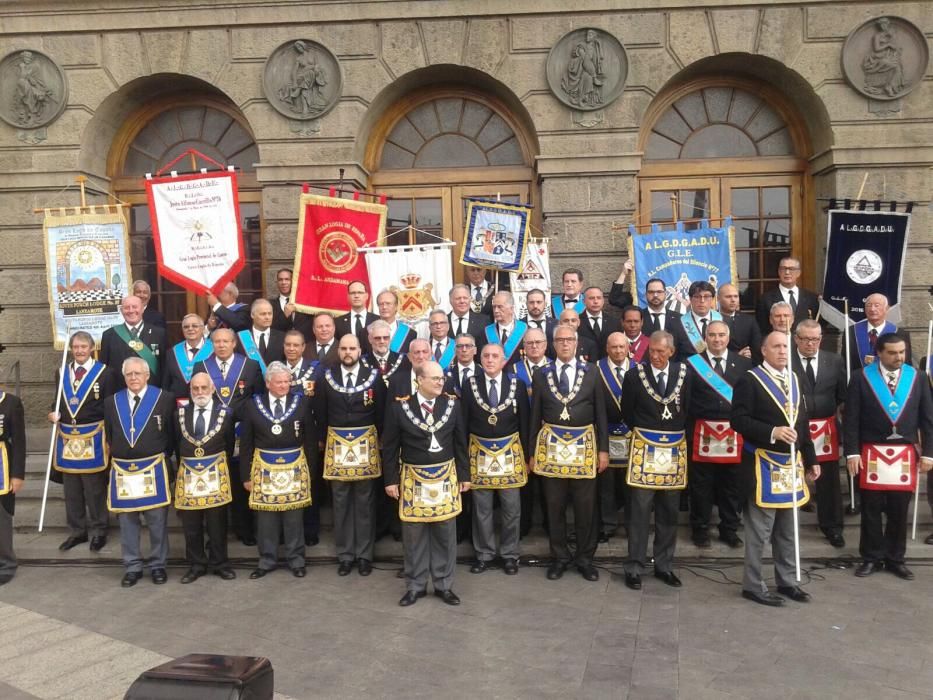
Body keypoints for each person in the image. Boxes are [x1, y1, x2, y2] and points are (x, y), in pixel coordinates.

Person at [731, 332, 820, 606]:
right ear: (764, 350)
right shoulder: (749, 379)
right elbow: (738, 420)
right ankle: (753, 585)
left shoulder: (794, 378)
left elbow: (801, 423)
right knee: (759, 532)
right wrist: (772, 431)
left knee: (787, 529)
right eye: (776, 346)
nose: (782, 351)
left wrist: (811, 457)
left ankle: (788, 581)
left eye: (785, 346)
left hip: (791, 466)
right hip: (762, 464)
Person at [845, 333, 933, 581]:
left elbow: (928, 420)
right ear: (880, 353)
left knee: (899, 510)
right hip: (871, 452)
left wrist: (929, 453)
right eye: (893, 353)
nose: (899, 357)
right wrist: (851, 452)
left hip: (905, 454)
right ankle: (871, 557)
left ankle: (896, 558)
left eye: (902, 352)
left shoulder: (917, 378)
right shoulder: (861, 378)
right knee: (871, 510)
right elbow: (851, 419)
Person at [382, 361, 471, 606]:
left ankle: (444, 585)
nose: (440, 382)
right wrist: (390, 480)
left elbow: (460, 443)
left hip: (445, 477)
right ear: (419, 380)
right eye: (434, 378)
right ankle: (416, 586)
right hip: (413, 479)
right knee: (414, 536)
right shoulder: (399, 408)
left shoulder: (453, 405)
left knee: (445, 534)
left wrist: (465, 475)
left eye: (441, 378)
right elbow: (390, 448)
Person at [529, 324, 608, 582]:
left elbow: (601, 415)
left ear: (576, 343)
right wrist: (531, 452)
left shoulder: (592, 372)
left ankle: (585, 558)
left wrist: (603, 450)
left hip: (584, 449)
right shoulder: (542, 374)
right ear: (553, 344)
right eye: (559, 340)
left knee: (586, 508)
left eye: (568, 339)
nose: (564, 344)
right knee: (555, 506)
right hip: (551, 452)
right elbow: (534, 416)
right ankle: (559, 557)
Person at [621, 331, 691, 590]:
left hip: (674, 451)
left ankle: (664, 565)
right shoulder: (634, 375)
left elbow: (689, 408)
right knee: (639, 510)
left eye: (661, 352)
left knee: (669, 511)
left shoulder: (684, 374)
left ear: (671, 351)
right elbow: (626, 411)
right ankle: (634, 566)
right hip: (645, 449)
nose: (656, 356)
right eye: (652, 351)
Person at [314, 334, 387, 577]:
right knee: (341, 501)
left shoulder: (374, 378)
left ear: (359, 350)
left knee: (365, 501)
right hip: (337, 447)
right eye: (343, 348)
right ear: (338, 351)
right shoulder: (327, 377)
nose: (347, 352)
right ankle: (345, 555)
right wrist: (323, 442)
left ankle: (365, 555)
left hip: (365, 445)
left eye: (352, 348)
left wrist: (380, 442)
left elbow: (381, 412)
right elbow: (321, 411)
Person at [240, 361, 317, 579]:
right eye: (279, 382)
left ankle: (296, 559)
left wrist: (310, 471)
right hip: (264, 468)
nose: (284, 386)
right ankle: (266, 560)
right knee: (266, 519)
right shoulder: (253, 405)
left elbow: (310, 440)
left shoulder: (300, 404)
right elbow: (246, 443)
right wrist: (245, 476)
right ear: (268, 383)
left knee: (294, 517)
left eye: (287, 381)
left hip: (294, 467)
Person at [104, 358, 176, 587]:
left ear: (147, 375)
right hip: (124, 471)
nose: (133, 378)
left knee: (157, 521)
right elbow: (109, 434)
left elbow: (171, 435)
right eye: (129, 374)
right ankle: (132, 566)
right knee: (127, 522)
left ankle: (158, 565)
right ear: (124, 377)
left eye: (138, 373)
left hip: (153, 467)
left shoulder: (164, 398)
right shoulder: (112, 402)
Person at [461, 343, 530, 575]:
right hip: (479, 453)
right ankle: (484, 554)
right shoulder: (470, 385)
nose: (490, 360)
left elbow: (525, 422)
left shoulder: (517, 384)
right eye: (486, 356)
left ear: (503, 361)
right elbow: (463, 422)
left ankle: (510, 555)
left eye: (495, 356)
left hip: (509, 453)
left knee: (512, 508)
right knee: (482, 508)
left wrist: (528, 456)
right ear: (480, 360)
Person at [192, 328, 264, 546]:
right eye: (217, 341)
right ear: (211, 344)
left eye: (226, 341)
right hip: (212, 435)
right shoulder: (201, 366)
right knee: (215, 481)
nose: (221, 345)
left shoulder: (250, 366)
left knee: (241, 480)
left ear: (234, 343)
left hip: (242, 432)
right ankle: (215, 534)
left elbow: (257, 398)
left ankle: (245, 529)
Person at [685, 320, 752, 548]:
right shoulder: (693, 364)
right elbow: (686, 401)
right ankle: (700, 528)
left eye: (721, 335)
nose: (717, 339)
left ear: (728, 336)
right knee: (701, 485)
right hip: (702, 432)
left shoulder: (743, 364)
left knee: (731, 485)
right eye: (712, 335)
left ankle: (729, 528)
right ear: (705, 337)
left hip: (733, 432)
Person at [48, 331, 115, 552]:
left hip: (94, 436)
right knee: (72, 489)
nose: (79, 351)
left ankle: (98, 531)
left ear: (91, 348)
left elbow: (109, 407)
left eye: (83, 347)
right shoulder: (61, 372)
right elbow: (57, 402)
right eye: (75, 347)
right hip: (67, 437)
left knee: (94, 488)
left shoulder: (105, 373)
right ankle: (77, 531)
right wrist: (53, 414)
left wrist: (110, 439)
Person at [175, 372, 236, 583]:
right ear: (190, 391)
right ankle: (196, 564)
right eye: (195, 389)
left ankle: (220, 563)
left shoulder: (226, 413)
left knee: (217, 522)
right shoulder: (180, 414)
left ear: (212, 389)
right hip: (189, 475)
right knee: (191, 523)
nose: (199, 392)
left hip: (215, 474)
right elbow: (177, 444)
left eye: (203, 388)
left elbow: (228, 446)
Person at [792, 320, 847, 547]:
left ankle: (832, 526)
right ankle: (786, 528)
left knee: (828, 480)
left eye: (815, 339)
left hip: (825, 428)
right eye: (805, 339)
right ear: (796, 339)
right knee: (792, 475)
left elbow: (842, 395)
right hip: (794, 428)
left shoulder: (834, 360)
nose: (810, 344)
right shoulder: (786, 359)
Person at [510, 327, 553, 537]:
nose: (534, 346)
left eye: (538, 342)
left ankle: (549, 522)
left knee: (549, 483)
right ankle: (524, 524)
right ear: (524, 347)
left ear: (545, 344)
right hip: (523, 430)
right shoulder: (514, 370)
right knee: (524, 480)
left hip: (549, 432)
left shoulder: (554, 368)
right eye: (530, 343)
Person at [596, 332, 632, 541]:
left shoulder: (639, 368)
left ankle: (631, 524)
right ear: (607, 349)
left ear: (627, 348)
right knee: (606, 486)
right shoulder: (596, 369)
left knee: (631, 486)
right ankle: (607, 525)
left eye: (622, 347)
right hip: (606, 434)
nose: (618, 351)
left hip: (631, 434)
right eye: (614, 347)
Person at [99, 295, 166, 388]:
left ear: (143, 309)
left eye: (135, 307)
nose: (131, 311)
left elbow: (164, 367)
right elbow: (104, 369)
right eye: (126, 308)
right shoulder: (109, 335)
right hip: (119, 394)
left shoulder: (158, 333)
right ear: (121, 311)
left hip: (152, 393)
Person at [845, 293, 912, 370]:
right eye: (869, 305)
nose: (872, 309)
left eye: (877, 305)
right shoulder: (851, 332)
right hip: (858, 380)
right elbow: (846, 363)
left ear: (886, 309)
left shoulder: (899, 333)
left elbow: (906, 365)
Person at [0, 389, 26, 586]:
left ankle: (6, 564)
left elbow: (19, 441)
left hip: (3, 467)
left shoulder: (11, 402)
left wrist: (17, 475)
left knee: (2, 519)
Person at [755, 257, 819, 334]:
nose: (787, 272)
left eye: (791, 269)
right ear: (779, 272)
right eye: (783, 269)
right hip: (778, 343)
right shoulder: (765, 299)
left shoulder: (811, 298)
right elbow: (762, 328)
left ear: (798, 273)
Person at [162, 314, 213, 398]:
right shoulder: (172, 352)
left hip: (207, 402)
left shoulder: (213, 350)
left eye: (195, 326)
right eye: (186, 327)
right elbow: (166, 383)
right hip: (179, 404)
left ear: (203, 328)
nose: (190, 329)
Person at [670, 281, 721, 360]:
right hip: (689, 370)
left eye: (707, 296)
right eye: (697, 297)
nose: (702, 301)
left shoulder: (722, 320)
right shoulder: (677, 325)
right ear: (690, 299)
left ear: (713, 299)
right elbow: (673, 357)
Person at [238, 298, 285, 369]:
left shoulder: (283, 337)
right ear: (252, 315)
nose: (267, 317)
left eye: (270, 314)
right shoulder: (240, 338)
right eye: (263, 314)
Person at [718, 283, 760, 362]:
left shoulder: (749, 320)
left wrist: (748, 353)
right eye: (728, 297)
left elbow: (757, 347)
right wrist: (736, 356)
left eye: (736, 296)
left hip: (745, 365)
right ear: (718, 298)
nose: (733, 300)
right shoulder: (711, 319)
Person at [334, 280, 379, 354]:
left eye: (360, 292)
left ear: (367, 296)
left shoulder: (377, 320)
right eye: (353, 293)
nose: (356, 296)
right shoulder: (337, 322)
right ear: (348, 296)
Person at [269, 268, 314, 339]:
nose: (283, 282)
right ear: (277, 282)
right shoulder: (270, 305)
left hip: (305, 345)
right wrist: (285, 315)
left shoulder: (306, 302)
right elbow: (270, 328)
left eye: (287, 279)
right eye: (280, 280)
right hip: (281, 346)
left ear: (293, 281)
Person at [486, 291, 527, 367]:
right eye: (494, 307)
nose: (496, 311)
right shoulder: (485, 333)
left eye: (500, 307)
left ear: (511, 309)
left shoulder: (526, 331)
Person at [578, 286, 619, 360]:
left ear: (603, 301)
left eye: (599, 298)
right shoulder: (577, 321)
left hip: (608, 366)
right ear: (583, 301)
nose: (596, 301)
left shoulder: (614, 322)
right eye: (591, 298)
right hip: (586, 366)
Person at [447, 283, 490, 352]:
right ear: (450, 301)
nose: (462, 301)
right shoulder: (442, 322)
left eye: (465, 298)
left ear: (470, 299)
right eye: (458, 298)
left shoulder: (484, 321)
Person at [363, 319, 406, 385]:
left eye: (385, 338)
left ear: (390, 338)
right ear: (370, 339)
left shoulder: (404, 360)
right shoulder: (361, 362)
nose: (382, 341)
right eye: (377, 338)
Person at [376, 289, 416, 354]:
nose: (384, 307)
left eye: (388, 303)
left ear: (396, 306)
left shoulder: (410, 334)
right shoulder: (367, 332)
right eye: (381, 304)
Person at [282, 330, 318, 396]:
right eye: (288, 345)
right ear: (283, 345)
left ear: (303, 347)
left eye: (296, 345)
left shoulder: (315, 369)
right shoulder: (277, 369)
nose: (291, 349)